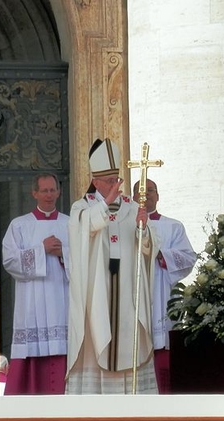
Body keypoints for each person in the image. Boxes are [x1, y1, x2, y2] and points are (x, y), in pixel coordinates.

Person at [66, 138, 159, 394]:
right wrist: (105, 204)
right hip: (97, 292)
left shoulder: (131, 207)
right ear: (96, 182)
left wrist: (144, 229)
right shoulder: (82, 207)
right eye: (109, 181)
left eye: (116, 179)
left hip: (127, 289)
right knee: (97, 332)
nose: (115, 185)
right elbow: (83, 230)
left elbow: (147, 249)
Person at [2, 173, 69, 394]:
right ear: (34, 193)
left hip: (62, 298)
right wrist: (42, 250)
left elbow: (86, 260)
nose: (49, 195)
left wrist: (63, 254)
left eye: (53, 190)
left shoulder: (70, 224)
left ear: (59, 192)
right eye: (44, 190)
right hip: (32, 300)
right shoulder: (19, 225)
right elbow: (10, 261)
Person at [133, 179, 197, 394]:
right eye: (140, 192)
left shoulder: (173, 226)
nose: (146, 195)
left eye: (150, 191)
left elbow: (188, 257)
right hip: (134, 293)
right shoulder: (124, 226)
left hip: (162, 293)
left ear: (158, 196)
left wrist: (161, 254)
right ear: (133, 198)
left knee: (164, 350)